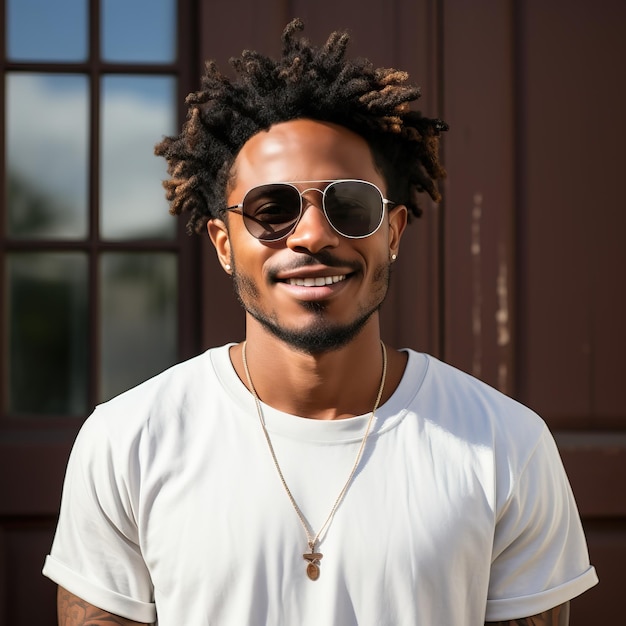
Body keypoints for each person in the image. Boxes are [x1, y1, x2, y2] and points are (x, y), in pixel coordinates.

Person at [43, 19, 598, 626]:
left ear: (391, 231)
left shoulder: (506, 446)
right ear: (224, 244)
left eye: (350, 205)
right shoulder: (128, 441)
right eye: (272, 209)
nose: (310, 235)